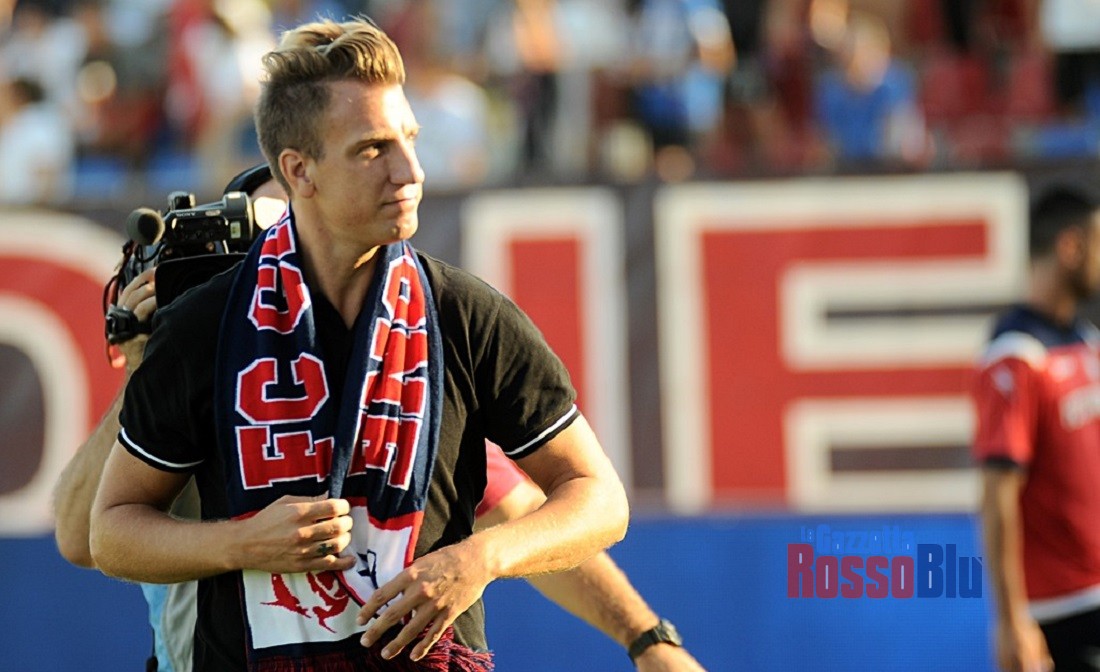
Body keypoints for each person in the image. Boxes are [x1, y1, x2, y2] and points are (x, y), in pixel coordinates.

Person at [88, 17, 631, 671]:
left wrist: (480, 559)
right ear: (299, 171)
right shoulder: (204, 326)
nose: (410, 171)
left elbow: (599, 498)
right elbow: (110, 530)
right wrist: (243, 543)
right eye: (373, 149)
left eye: (410, 139)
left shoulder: (466, 314)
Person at [55, 163, 705, 671]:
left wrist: (645, 637)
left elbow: (522, 509)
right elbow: (84, 537)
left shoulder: (395, 376)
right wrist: (148, 364)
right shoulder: (193, 356)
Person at [974, 184, 1100, 672]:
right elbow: (998, 494)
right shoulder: (1015, 355)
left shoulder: (1087, 343)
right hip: (1062, 611)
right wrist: (1012, 620)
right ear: (1071, 246)